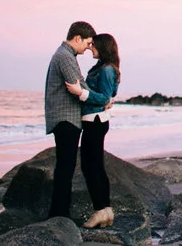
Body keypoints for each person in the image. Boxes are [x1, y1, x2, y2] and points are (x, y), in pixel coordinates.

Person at [65, 34, 120, 229]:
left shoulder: (105, 70)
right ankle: (105, 210)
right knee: (96, 167)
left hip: (94, 121)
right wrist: (105, 100)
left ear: (103, 47)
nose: (90, 48)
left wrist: (81, 92)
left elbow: (106, 97)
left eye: (94, 46)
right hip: (96, 120)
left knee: (91, 168)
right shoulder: (105, 68)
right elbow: (111, 95)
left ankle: (99, 211)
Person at [44, 21, 96, 219]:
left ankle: (60, 211)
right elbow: (79, 85)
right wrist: (102, 99)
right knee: (65, 167)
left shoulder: (64, 54)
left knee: (65, 166)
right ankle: (60, 214)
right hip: (66, 119)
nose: (88, 48)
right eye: (88, 43)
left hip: (65, 118)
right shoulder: (65, 57)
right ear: (77, 38)